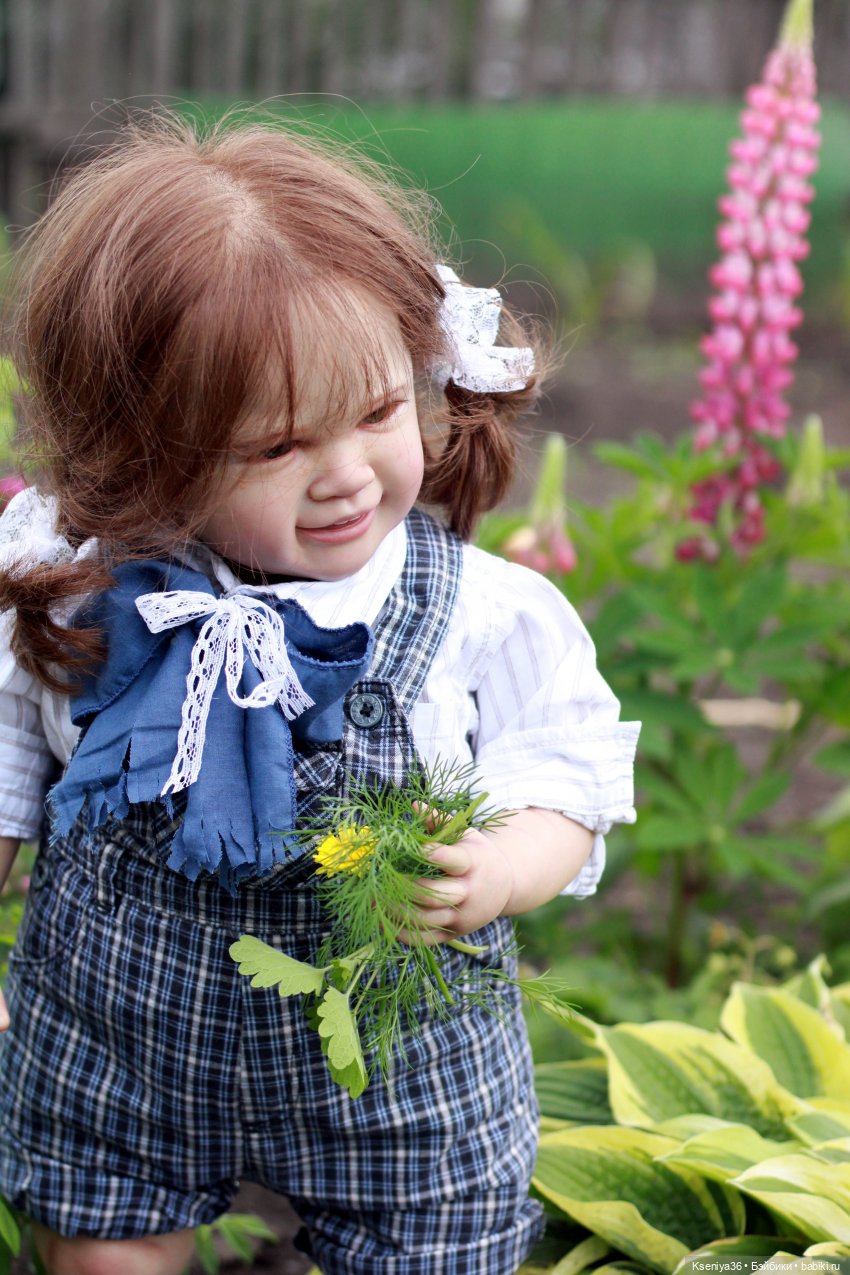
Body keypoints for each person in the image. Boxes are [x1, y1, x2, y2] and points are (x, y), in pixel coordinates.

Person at [0, 114, 638, 1275]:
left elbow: (568, 769)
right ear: (148, 449)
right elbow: (6, 763)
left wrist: (500, 869)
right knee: (100, 1238)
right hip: (122, 1045)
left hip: (396, 1060)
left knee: (429, 1245)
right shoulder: (86, 585)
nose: (346, 473)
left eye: (378, 412)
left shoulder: (486, 613)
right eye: (277, 444)